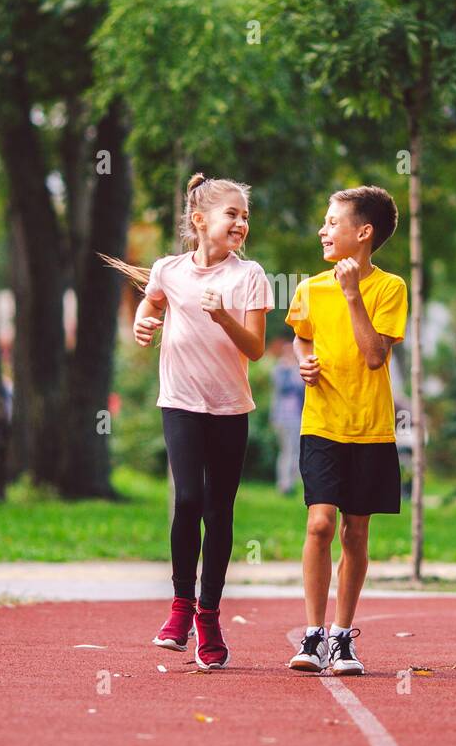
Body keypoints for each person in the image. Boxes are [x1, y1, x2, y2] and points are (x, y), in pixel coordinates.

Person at [103, 174, 274, 670]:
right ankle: (180, 606)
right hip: (180, 402)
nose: (241, 223)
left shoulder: (250, 276)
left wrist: (224, 318)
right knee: (189, 501)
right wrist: (141, 319)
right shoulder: (168, 270)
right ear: (200, 221)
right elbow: (152, 302)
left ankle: (210, 615)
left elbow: (257, 349)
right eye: (232, 215)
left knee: (219, 512)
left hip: (230, 408)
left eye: (245, 216)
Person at [286, 186, 407, 675]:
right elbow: (300, 338)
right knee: (320, 523)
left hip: (371, 429)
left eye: (332, 222)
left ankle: (342, 637)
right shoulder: (309, 288)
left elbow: (375, 355)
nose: (323, 229)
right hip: (322, 424)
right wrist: (304, 363)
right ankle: (312, 636)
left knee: (356, 531)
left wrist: (353, 293)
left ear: (363, 233)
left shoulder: (389, 288)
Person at [270, 338, 306, 495]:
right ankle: (285, 484)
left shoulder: (293, 369)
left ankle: (289, 483)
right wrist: (291, 369)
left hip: (295, 416)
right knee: (288, 451)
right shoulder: (281, 370)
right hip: (285, 417)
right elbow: (285, 388)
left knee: (293, 451)